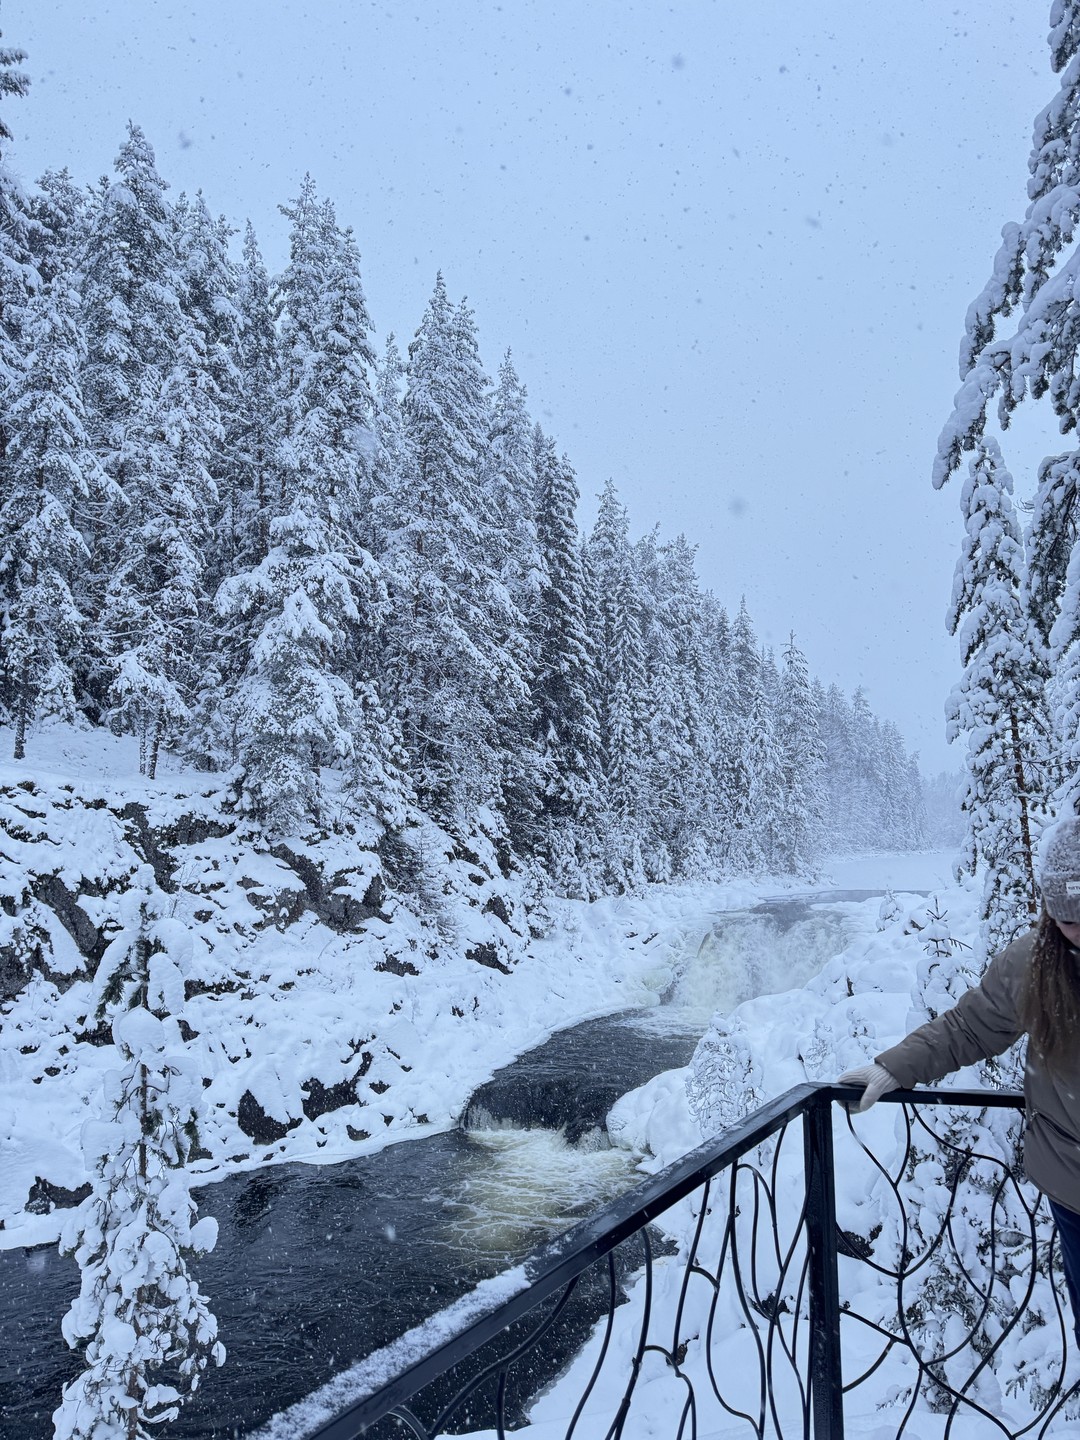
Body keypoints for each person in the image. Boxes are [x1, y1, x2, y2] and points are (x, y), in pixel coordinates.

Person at [838, 817, 1080, 1344]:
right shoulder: (1033, 964)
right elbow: (969, 1027)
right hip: (1074, 1185)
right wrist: (892, 1067)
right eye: (1068, 918)